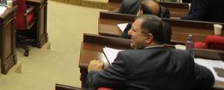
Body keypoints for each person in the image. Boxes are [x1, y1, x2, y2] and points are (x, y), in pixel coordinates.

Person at [86, 14, 214, 90]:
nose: (129, 32)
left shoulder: (128, 59)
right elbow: (208, 78)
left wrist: (92, 71)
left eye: (134, 30)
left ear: (148, 38)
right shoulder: (184, 58)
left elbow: (96, 82)